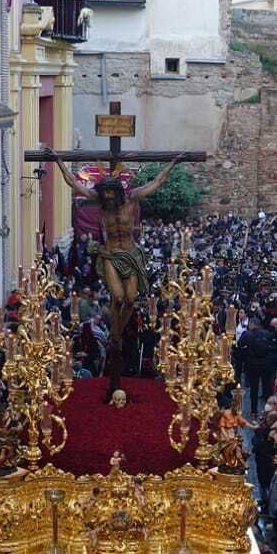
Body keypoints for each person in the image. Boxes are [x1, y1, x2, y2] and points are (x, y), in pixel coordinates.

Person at [49, 150, 181, 395]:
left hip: (130, 254)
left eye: (110, 192)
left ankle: (116, 334)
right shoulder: (100, 203)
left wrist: (173, 164)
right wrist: (58, 161)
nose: (107, 196)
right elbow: (72, 182)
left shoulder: (132, 199)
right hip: (110, 254)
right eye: (105, 193)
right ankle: (115, 334)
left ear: (118, 191)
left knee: (131, 299)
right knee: (118, 298)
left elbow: (157, 183)